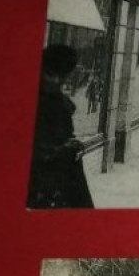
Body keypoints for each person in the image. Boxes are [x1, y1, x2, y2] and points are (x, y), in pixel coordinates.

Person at [28, 44, 94, 209]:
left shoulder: (62, 107)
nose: (56, 81)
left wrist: (72, 146)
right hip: (38, 186)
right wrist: (61, 149)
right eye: (50, 74)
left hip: (63, 181)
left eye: (62, 76)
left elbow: (65, 139)